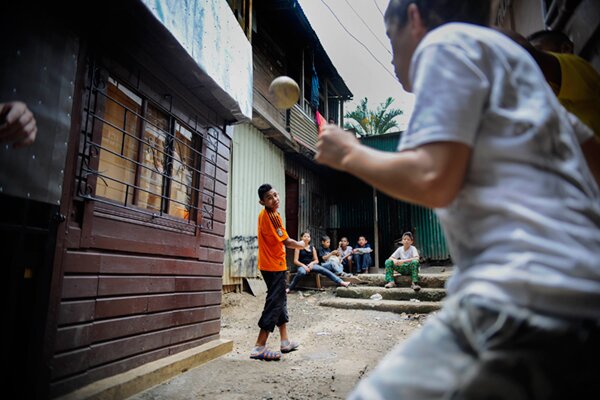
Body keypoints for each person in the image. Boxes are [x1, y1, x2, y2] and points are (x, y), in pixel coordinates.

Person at [315, 0, 600, 398]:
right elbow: (593, 160)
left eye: (390, 38)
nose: (393, 58)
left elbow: (434, 178)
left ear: (414, 17)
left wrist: (349, 154)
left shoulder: (444, 43)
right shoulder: (525, 82)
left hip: (521, 299)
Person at [497, 28, 600, 185]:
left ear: (565, 49)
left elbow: (527, 56)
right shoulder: (540, 105)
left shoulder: (579, 69)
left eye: (539, 49)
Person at [251, 183, 305, 361]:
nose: (275, 199)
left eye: (275, 195)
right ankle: (259, 346)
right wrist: (302, 244)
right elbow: (287, 242)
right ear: (262, 202)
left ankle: (284, 342)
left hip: (270, 264)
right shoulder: (272, 216)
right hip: (274, 265)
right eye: (269, 198)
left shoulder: (268, 214)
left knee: (280, 300)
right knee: (275, 302)